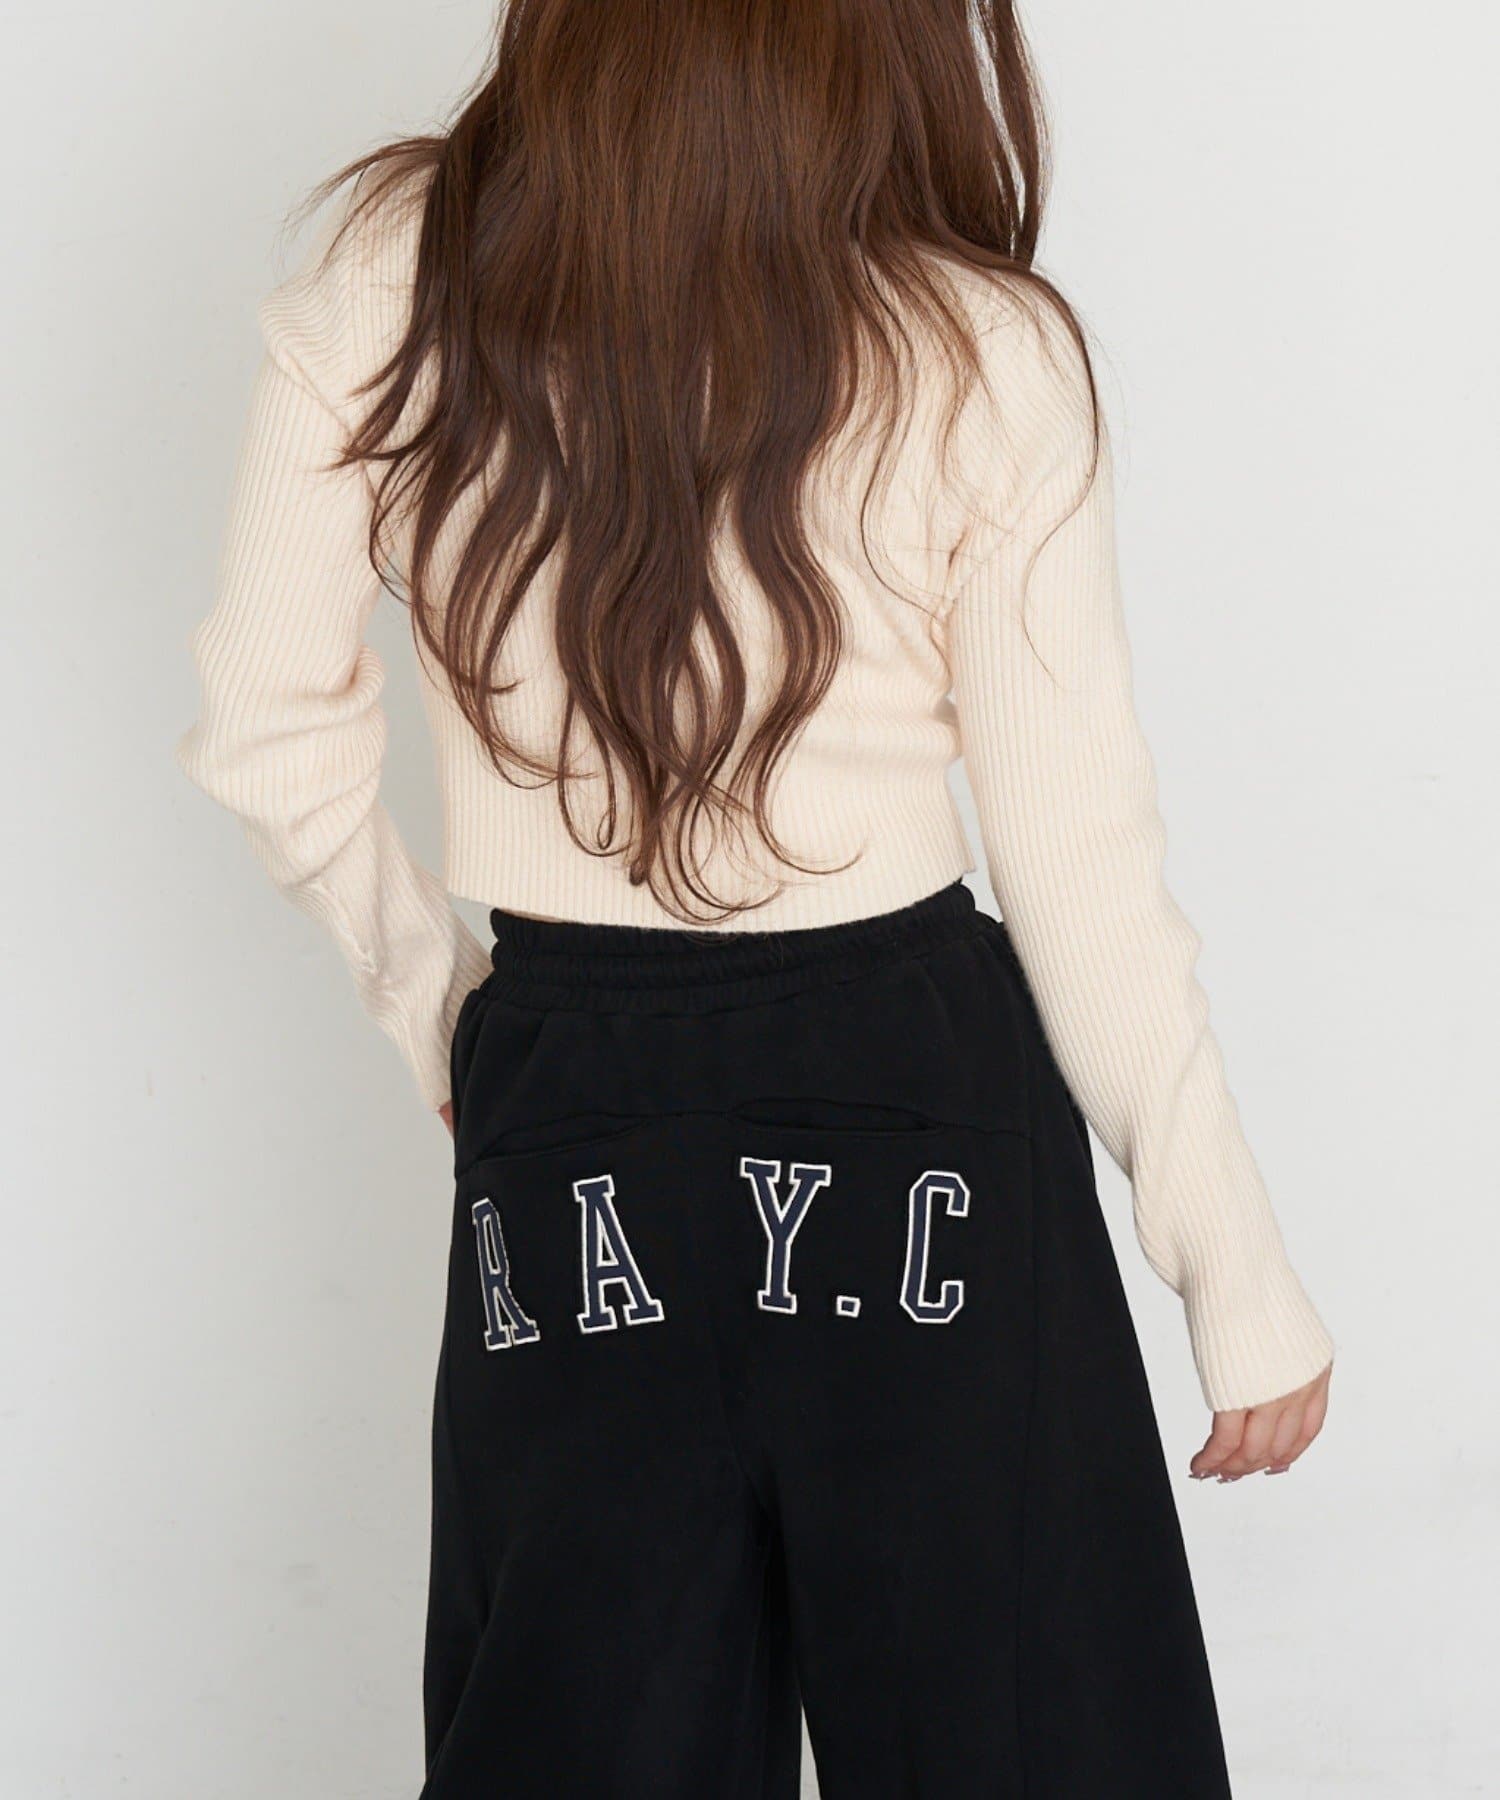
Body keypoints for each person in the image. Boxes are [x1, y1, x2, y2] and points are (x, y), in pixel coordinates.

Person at [177, 2, 1333, 1793]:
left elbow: (268, 725)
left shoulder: (406, 270)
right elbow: (1079, 862)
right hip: (919, 1085)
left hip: (571, 1090)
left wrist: (446, 1014)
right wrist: (1233, 1270)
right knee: (1025, 1742)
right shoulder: (975, 342)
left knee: (578, 1743)